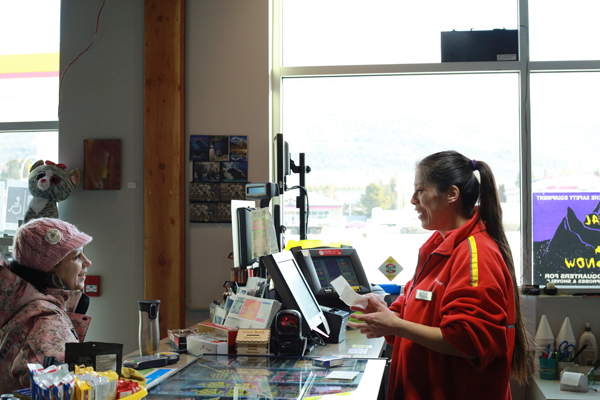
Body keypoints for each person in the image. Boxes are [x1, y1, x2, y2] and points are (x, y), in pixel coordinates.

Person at [347, 151, 530, 399]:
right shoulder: (437, 247)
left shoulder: (476, 255)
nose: (413, 200)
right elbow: (417, 308)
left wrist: (397, 326)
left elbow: (467, 340)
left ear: (452, 194)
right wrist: (387, 316)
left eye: (420, 190)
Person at [0, 218, 93, 392]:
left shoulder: (16, 304)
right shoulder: (46, 320)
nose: (88, 262)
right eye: (76, 256)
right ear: (49, 267)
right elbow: (60, 393)